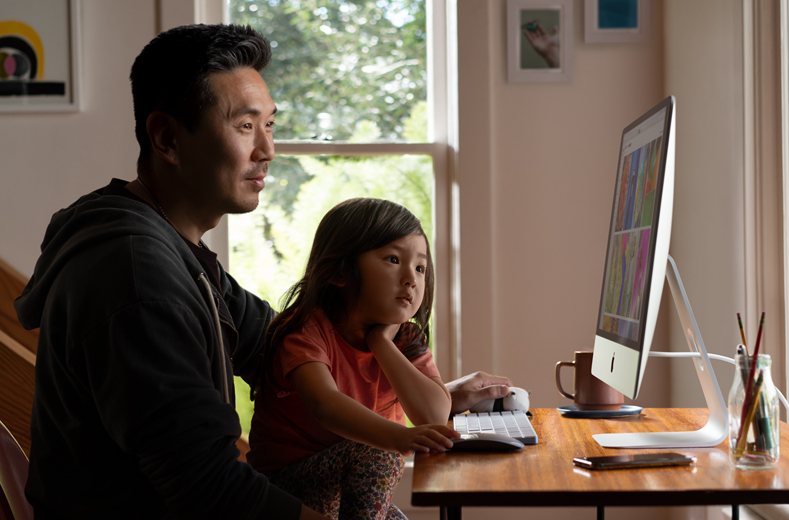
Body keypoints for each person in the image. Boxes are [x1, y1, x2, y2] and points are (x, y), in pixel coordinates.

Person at [13, 23, 514, 519]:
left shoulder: (177, 251)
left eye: (269, 125)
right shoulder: (138, 277)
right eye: (245, 126)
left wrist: (430, 389)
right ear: (167, 137)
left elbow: (280, 348)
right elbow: (209, 489)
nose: (268, 150)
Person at [248, 198, 457, 519]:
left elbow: (434, 415)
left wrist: (381, 343)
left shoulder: (403, 339)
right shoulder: (305, 330)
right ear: (340, 272)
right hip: (286, 485)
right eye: (392, 259)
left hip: (347, 478)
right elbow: (325, 405)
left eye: (420, 267)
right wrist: (400, 437)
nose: (411, 279)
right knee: (380, 455)